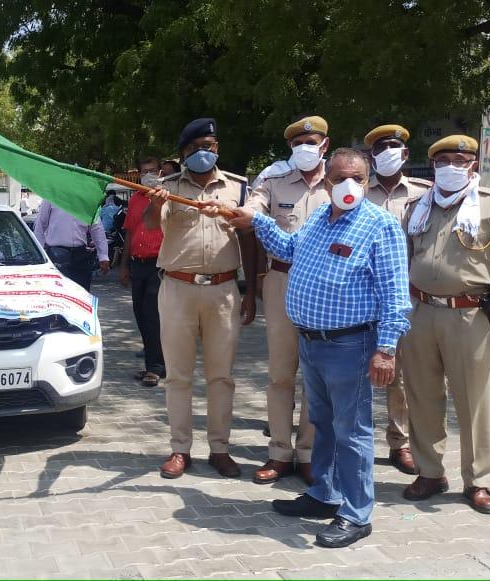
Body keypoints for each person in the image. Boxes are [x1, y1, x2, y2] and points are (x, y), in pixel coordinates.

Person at [224, 147, 411, 548]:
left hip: (351, 345)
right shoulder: (319, 221)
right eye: (339, 177)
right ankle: (324, 494)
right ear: (326, 180)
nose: (347, 185)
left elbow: (396, 294)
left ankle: (357, 513)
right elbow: (290, 250)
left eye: (357, 178)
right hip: (312, 342)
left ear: (366, 180)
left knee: (352, 431)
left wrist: (386, 349)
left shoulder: (380, 226)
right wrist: (256, 220)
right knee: (321, 426)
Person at [400, 135, 490, 515]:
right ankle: (429, 472)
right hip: (420, 311)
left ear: (472, 165)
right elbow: (404, 261)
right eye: (443, 161)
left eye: (459, 160)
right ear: (433, 165)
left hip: (469, 314)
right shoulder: (417, 207)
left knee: (473, 400)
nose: (451, 167)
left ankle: (478, 480)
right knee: (422, 396)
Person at [144, 117, 258, 480]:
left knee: (221, 377)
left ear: (216, 148)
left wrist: (252, 291)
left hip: (224, 290)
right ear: (183, 154)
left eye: (207, 147)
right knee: (178, 376)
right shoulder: (167, 186)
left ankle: (220, 449)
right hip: (178, 289)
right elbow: (148, 225)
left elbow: (250, 236)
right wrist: (153, 202)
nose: (201, 154)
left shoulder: (238, 189)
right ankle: (180, 449)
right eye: (193, 150)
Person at [244, 115, 331, 486]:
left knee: (317, 375)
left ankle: (309, 453)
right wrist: (243, 214)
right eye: (298, 144)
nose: (305, 149)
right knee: (281, 373)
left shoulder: (341, 185)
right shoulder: (273, 182)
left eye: (311, 142)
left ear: (325, 145)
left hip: (328, 287)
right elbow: (253, 209)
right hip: (281, 279)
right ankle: (279, 452)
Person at [363, 124, 430, 475]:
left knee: (400, 375)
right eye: (379, 148)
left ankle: (399, 443)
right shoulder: (356, 191)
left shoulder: (424, 193)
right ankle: (349, 442)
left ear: (405, 154)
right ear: (371, 156)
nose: (386, 152)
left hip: (402, 297)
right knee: (353, 370)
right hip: (359, 295)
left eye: (392, 146)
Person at [118, 157, 166, 387]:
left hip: (160, 264)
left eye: (153, 170)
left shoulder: (168, 197)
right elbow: (129, 232)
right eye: (144, 171)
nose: (149, 175)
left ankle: (156, 368)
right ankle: (153, 363)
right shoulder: (135, 199)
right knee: (140, 313)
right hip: (138, 263)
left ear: (160, 171)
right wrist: (124, 265)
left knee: (152, 315)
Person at [34, 199, 109, 291]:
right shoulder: (51, 196)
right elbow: (40, 225)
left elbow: (96, 228)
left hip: (80, 255)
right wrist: (39, 254)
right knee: (59, 293)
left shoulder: (88, 198)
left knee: (82, 293)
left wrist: (103, 256)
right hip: (57, 255)